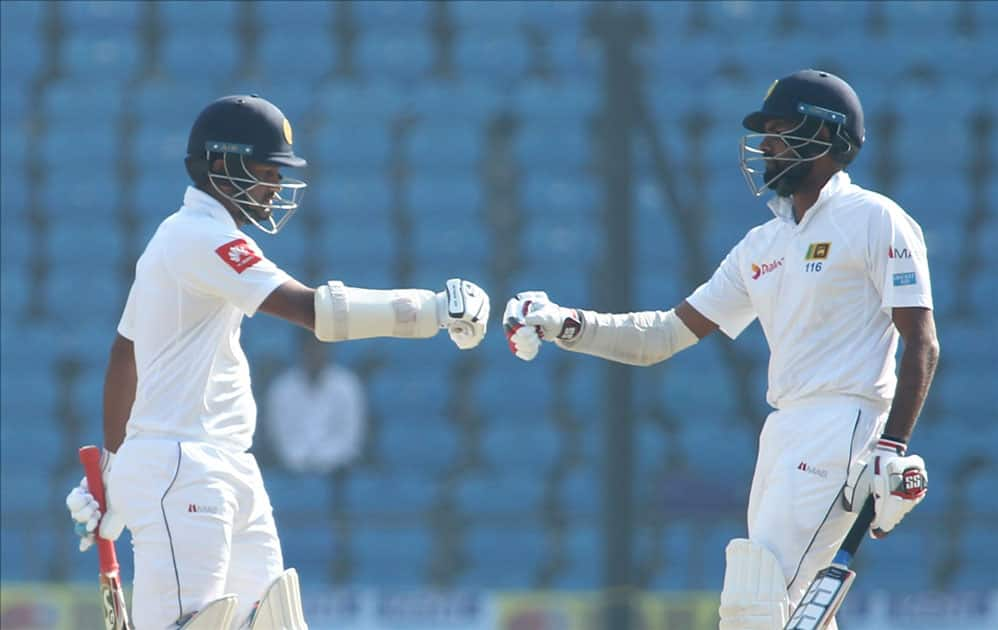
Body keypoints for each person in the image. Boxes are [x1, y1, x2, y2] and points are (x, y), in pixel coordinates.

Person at [503, 70, 938, 629]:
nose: (769, 146)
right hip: (784, 431)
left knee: (757, 608)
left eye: (782, 131)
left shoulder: (876, 219)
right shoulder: (763, 245)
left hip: (845, 423)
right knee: (793, 612)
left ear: (828, 138)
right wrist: (568, 323)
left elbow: (921, 341)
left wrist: (892, 446)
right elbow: (662, 336)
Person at [64, 94, 490, 630]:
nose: (274, 187)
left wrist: (113, 466)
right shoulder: (198, 238)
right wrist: (433, 310)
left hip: (224, 466)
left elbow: (125, 353)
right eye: (266, 171)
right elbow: (314, 311)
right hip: (182, 468)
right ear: (220, 164)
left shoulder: (179, 240)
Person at [264, 332, 367, 473]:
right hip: (292, 470)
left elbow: (350, 437)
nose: (315, 354)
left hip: (338, 472)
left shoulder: (347, 385)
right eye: (310, 348)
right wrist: (300, 460)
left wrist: (324, 460)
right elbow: (279, 436)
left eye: (319, 348)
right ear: (301, 350)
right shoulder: (282, 388)